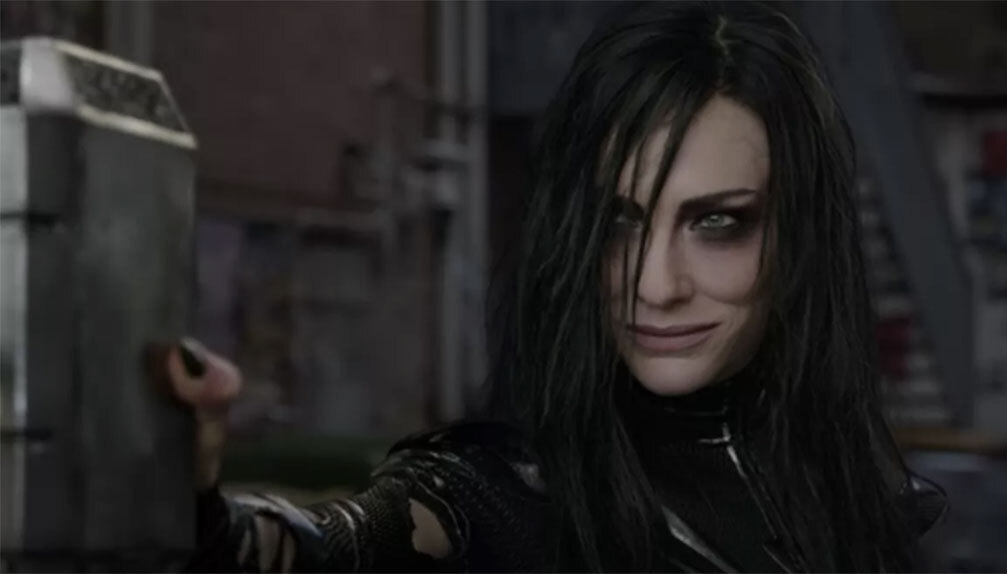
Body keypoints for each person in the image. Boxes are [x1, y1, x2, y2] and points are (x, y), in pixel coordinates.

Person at [165, 2, 946, 572]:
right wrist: (189, 503)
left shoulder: (860, 501)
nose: (656, 285)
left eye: (717, 223)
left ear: (799, 238)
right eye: (618, 222)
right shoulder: (502, 497)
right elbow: (321, 548)